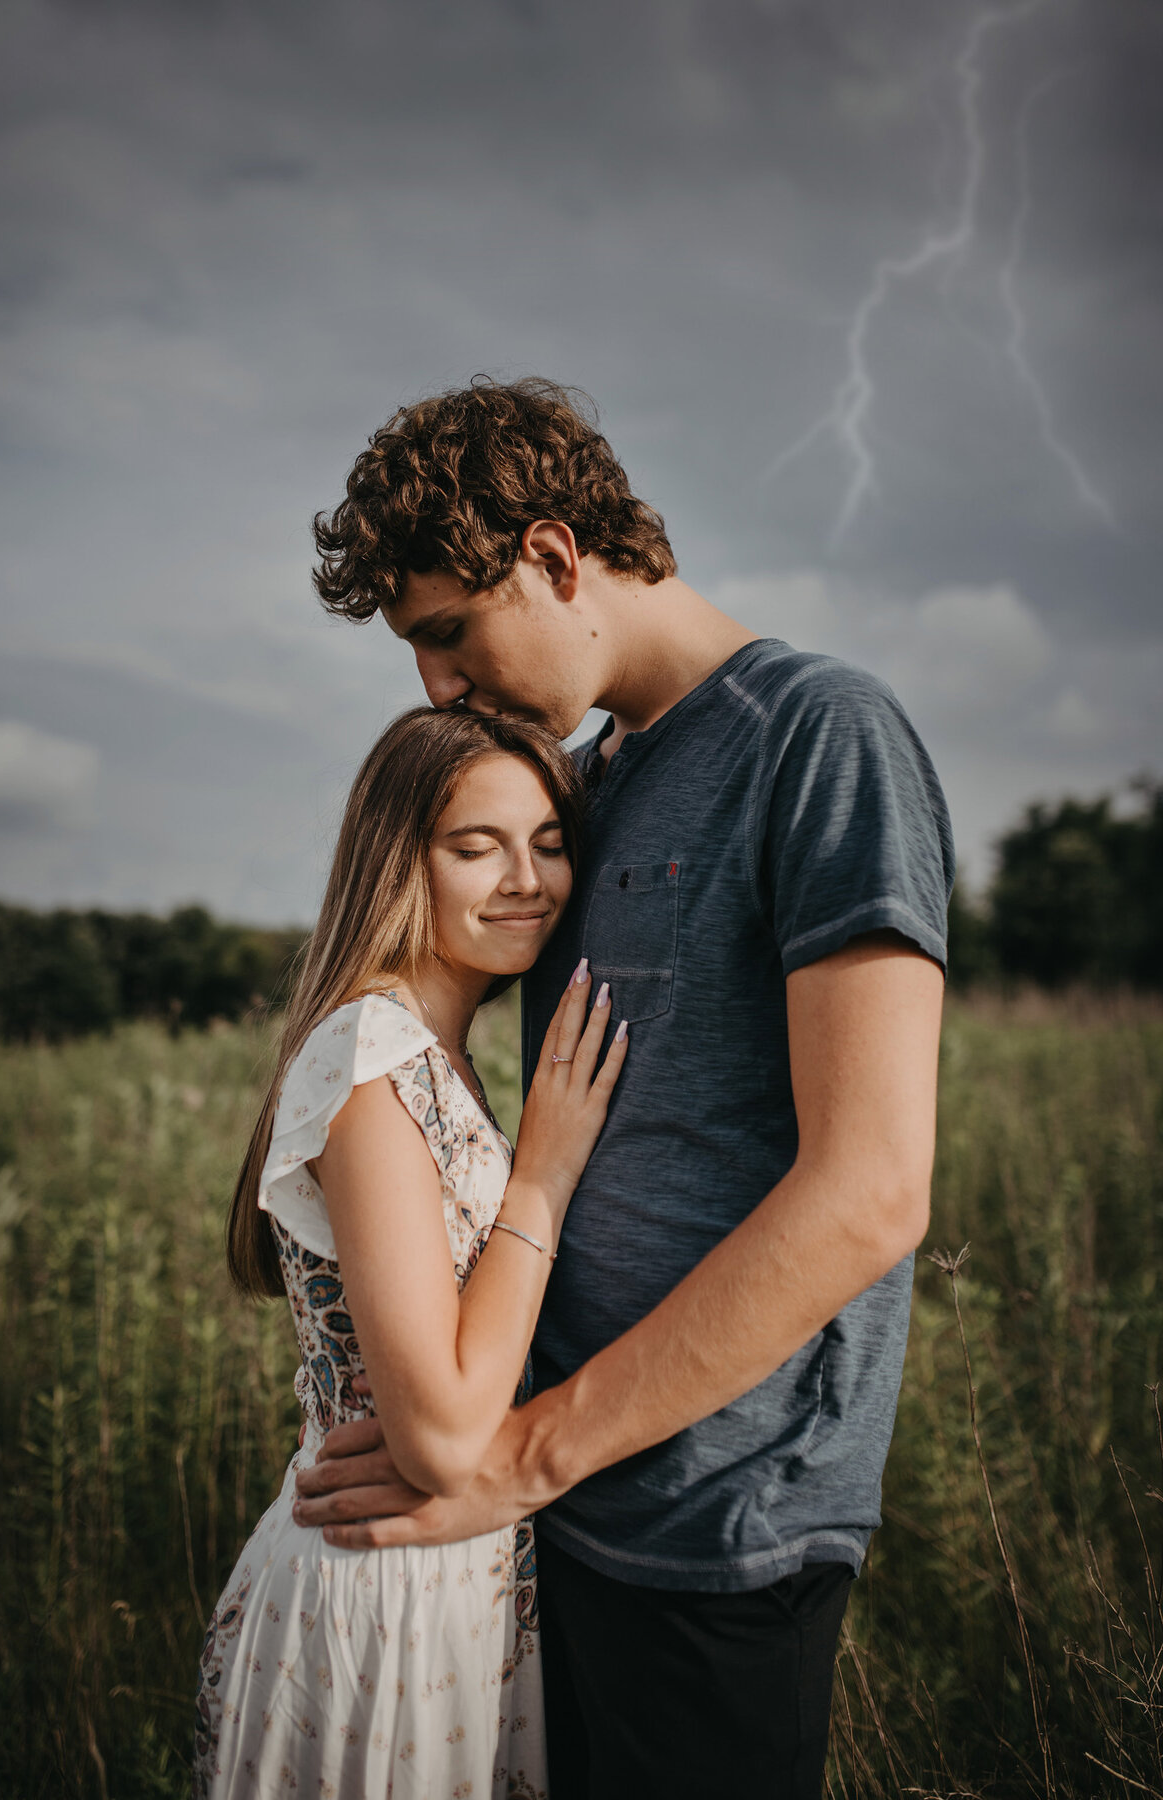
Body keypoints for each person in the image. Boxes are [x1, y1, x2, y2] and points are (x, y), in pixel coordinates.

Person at [294, 377, 955, 1799]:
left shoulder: (820, 737)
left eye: (447, 633)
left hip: (717, 1528)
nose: (438, 688)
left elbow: (872, 1189)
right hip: (544, 1521)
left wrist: (522, 1454)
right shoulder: (577, 793)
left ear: (549, 554)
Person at [193, 705, 628, 1799]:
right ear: (400, 861)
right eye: (475, 846)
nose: (525, 879)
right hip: (382, 1593)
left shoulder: (439, 1059)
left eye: (548, 843)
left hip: (447, 1582)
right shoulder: (372, 1053)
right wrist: (544, 1173)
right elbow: (437, 1435)